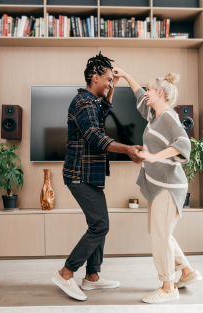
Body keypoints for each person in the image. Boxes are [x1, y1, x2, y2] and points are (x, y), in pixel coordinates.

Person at [53, 52, 145, 301]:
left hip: (88, 175)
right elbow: (94, 135)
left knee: (99, 224)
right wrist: (126, 149)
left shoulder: (91, 102)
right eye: (107, 78)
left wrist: (111, 90)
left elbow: (100, 115)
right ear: (94, 76)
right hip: (79, 174)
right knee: (100, 225)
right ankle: (66, 272)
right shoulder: (83, 102)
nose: (109, 83)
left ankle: (92, 277)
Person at [113, 68, 202, 304]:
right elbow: (139, 94)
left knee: (160, 236)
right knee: (159, 232)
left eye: (150, 90)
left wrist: (153, 157)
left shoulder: (169, 118)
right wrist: (125, 75)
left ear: (160, 93)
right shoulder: (155, 116)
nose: (146, 94)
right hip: (159, 184)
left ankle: (167, 286)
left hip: (169, 184)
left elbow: (183, 144)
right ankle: (186, 270)